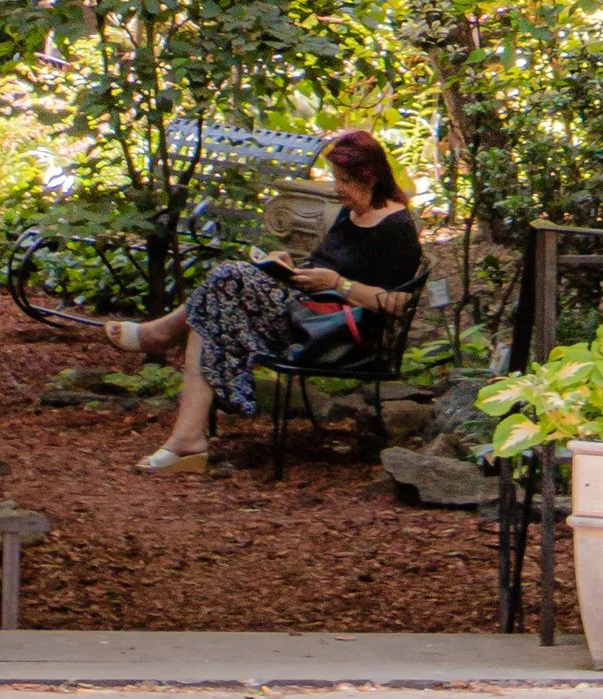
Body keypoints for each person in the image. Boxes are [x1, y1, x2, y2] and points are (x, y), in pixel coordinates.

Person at [101, 129, 423, 474]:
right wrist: (287, 266)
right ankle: (187, 440)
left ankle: (161, 336)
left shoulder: (396, 226)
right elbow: (325, 266)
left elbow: (397, 304)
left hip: (335, 335)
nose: (337, 188)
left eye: (343, 180)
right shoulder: (352, 211)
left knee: (228, 276)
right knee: (211, 316)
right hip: (303, 310)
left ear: (370, 175)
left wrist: (339, 284)